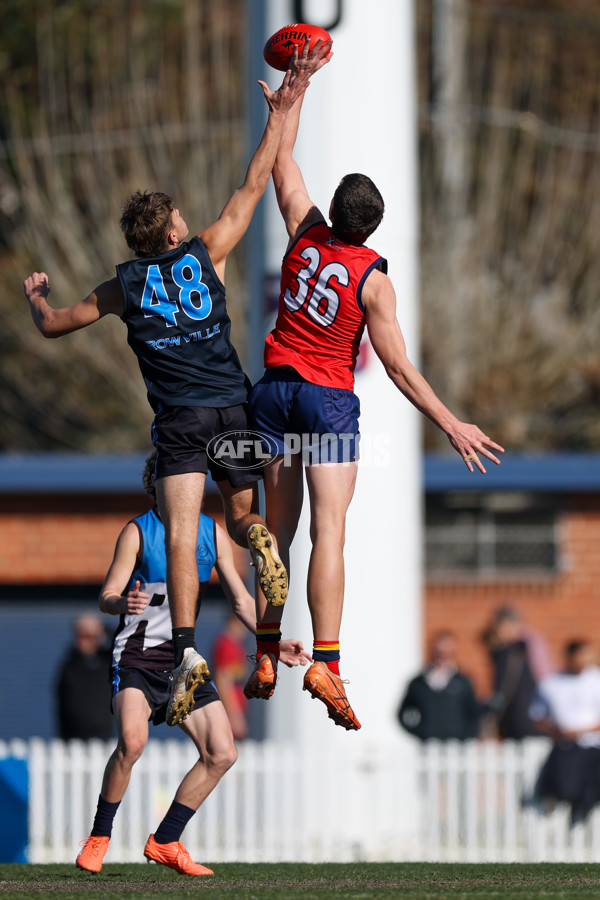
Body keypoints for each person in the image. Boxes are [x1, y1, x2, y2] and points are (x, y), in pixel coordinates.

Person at [22, 42, 332, 729]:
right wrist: (284, 107)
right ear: (171, 228)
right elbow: (256, 183)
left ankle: (188, 653)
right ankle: (258, 545)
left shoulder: (122, 287)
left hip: (182, 423)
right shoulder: (206, 251)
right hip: (233, 405)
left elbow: (56, 325)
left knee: (187, 531)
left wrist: (37, 300)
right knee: (246, 519)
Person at [242, 91, 505, 731]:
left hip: (274, 390)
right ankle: (326, 662)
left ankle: (268, 648)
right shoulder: (374, 281)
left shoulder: (305, 232)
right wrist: (450, 422)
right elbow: (397, 368)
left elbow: (282, 164)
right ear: (375, 229)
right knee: (328, 532)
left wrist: (291, 100)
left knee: (276, 532)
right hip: (328, 400)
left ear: (333, 211)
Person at [76, 452, 310, 876]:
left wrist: (270, 642)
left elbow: (240, 598)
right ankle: (99, 836)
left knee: (222, 752)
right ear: (156, 485)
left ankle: (165, 840)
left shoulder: (212, 532)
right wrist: (119, 601)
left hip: (183, 661)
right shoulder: (137, 532)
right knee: (132, 742)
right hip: (137, 658)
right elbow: (107, 593)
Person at [529, 640, 600, 825]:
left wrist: (580, 730)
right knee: (561, 790)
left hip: (593, 748)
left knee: (590, 794)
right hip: (565, 749)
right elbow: (537, 715)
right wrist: (557, 731)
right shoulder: (552, 683)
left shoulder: (596, 680)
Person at [484, 605, 554, 740]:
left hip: (523, 715)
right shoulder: (531, 642)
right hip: (532, 713)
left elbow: (504, 685)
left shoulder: (516, 649)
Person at [397, 631, 481, 742]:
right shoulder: (418, 683)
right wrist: (421, 732)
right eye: (439, 652)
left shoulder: (463, 682)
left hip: (455, 745)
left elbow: (473, 713)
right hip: (429, 744)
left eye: (447, 651)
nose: (443, 655)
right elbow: (404, 712)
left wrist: (464, 736)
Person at [55, 614, 114, 741]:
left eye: (93, 636)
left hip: (104, 736)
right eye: (84, 636)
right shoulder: (70, 665)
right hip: (73, 738)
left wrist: (103, 628)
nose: (89, 641)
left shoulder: (107, 662)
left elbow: (122, 643)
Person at [212, 612, 251, 741]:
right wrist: (234, 715)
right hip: (228, 714)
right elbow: (223, 680)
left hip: (234, 711)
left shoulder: (236, 644)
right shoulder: (226, 644)